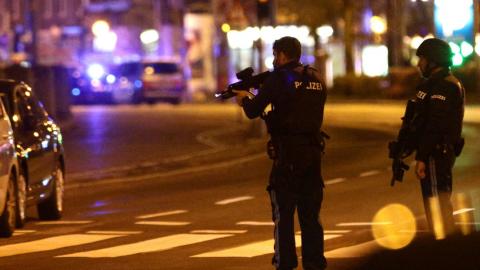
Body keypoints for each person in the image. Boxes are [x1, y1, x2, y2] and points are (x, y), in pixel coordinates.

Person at [234, 36, 327, 270]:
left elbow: (254, 111)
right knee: (310, 216)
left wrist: (245, 98)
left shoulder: (278, 78)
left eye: (275, 55)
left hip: (287, 156)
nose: (274, 60)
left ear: (282, 55)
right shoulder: (315, 77)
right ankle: (314, 263)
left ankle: (285, 263)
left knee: (284, 215)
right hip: (313, 155)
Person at [413, 38, 465, 237]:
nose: (419, 64)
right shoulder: (436, 84)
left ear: (433, 61)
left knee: (437, 204)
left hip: (437, 153)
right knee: (435, 203)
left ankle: (444, 253)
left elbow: (435, 125)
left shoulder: (445, 86)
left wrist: (422, 156)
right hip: (437, 152)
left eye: (422, 59)